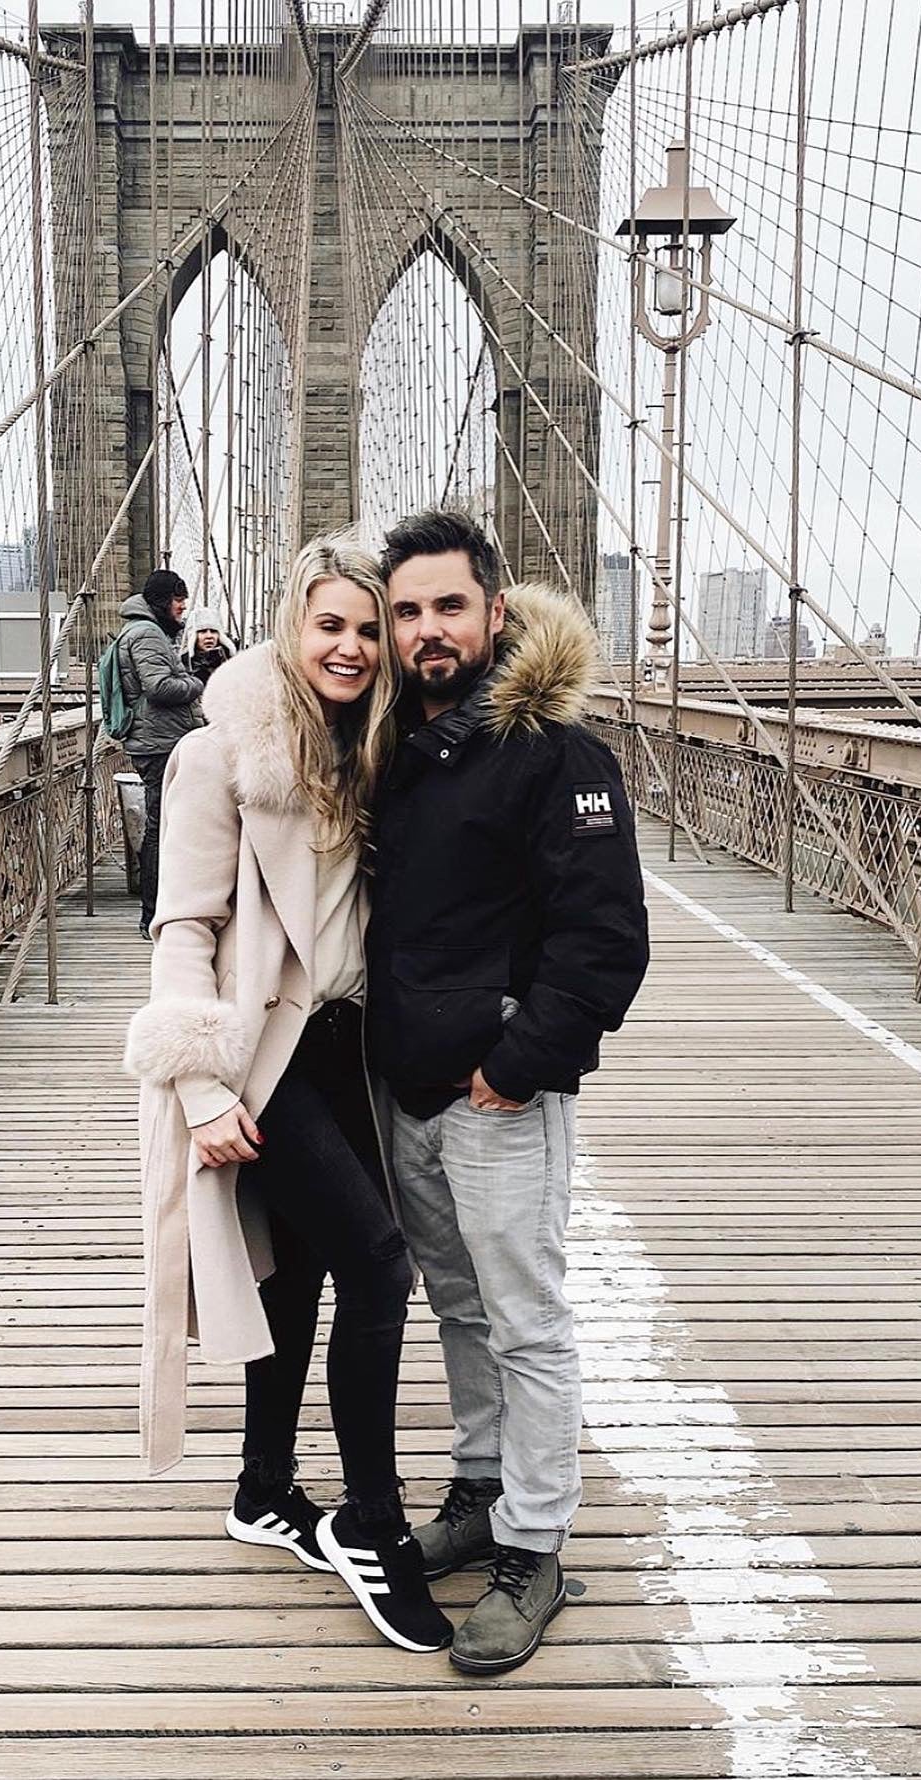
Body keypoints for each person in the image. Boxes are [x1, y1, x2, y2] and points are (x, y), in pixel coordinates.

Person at [123, 536, 452, 1656]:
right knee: (380, 1265)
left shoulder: (376, 747)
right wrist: (201, 1087)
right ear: (289, 627)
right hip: (264, 1056)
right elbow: (182, 930)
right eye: (330, 626)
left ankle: (264, 1489)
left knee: (300, 1269)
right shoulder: (218, 755)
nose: (351, 647)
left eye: (367, 629)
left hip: (350, 1049)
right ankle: (371, 1521)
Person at [366, 508, 649, 1675]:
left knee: (526, 1319)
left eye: (449, 606)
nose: (427, 631)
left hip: (498, 1098)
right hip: (408, 1091)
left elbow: (606, 941)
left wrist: (515, 1065)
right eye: (407, 612)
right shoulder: (395, 747)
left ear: (494, 609)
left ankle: (534, 1545)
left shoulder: (556, 754)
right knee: (460, 1308)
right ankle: (482, 1491)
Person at [115, 569, 206, 938]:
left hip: (158, 740)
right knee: (161, 829)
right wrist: (196, 683)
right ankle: (153, 915)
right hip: (160, 744)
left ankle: (163, 911)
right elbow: (159, 687)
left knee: (166, 825)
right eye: (177, 598)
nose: (182, 605)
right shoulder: (147, 634)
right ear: (161, 601)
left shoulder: (142, 630)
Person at [184, 608, 235, 687]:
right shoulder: (183, 666)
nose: (209, 636)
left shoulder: (231, 665)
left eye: (213, 631)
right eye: (203, 631)